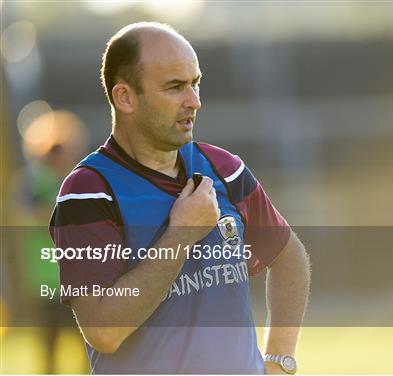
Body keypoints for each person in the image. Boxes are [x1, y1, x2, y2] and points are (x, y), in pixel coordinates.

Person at [49, 22, 310, 374]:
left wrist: (279, 361)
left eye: (195, 83)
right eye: (175, 87)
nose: (194, 101)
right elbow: (104, 330)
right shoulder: (88, 190)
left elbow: (288, 255)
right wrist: (181, 235)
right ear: (125, 97)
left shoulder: (224, 168)